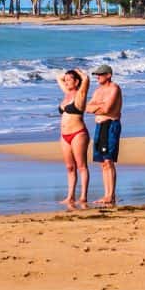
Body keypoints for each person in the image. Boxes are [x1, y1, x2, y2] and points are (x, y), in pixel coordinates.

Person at [87, 63, 123, 207]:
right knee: (103, 162)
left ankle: (111, 195)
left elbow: (108, 109)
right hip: (99, 126)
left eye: (100, 75)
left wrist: (99, 107)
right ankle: (107, 194)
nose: (97, 77)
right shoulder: (98, 90)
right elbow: (87, 108)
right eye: (97, 75)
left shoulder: (114, 88)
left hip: (110, 125)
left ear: (108, 75)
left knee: (109, 161)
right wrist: (99, 107)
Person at [56, 70, 90, 208]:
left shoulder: (80, 94)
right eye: (66, 80)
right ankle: (70, 196)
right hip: (64, 135)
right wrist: (66, 75)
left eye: (69, 80)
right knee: (70, 167)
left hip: (78, 133)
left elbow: (86, 78)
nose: (66, 81)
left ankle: (83, 196)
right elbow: (58, 78)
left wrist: (76, 71)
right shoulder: (66, 94)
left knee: (81, 166)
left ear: (76, 82)